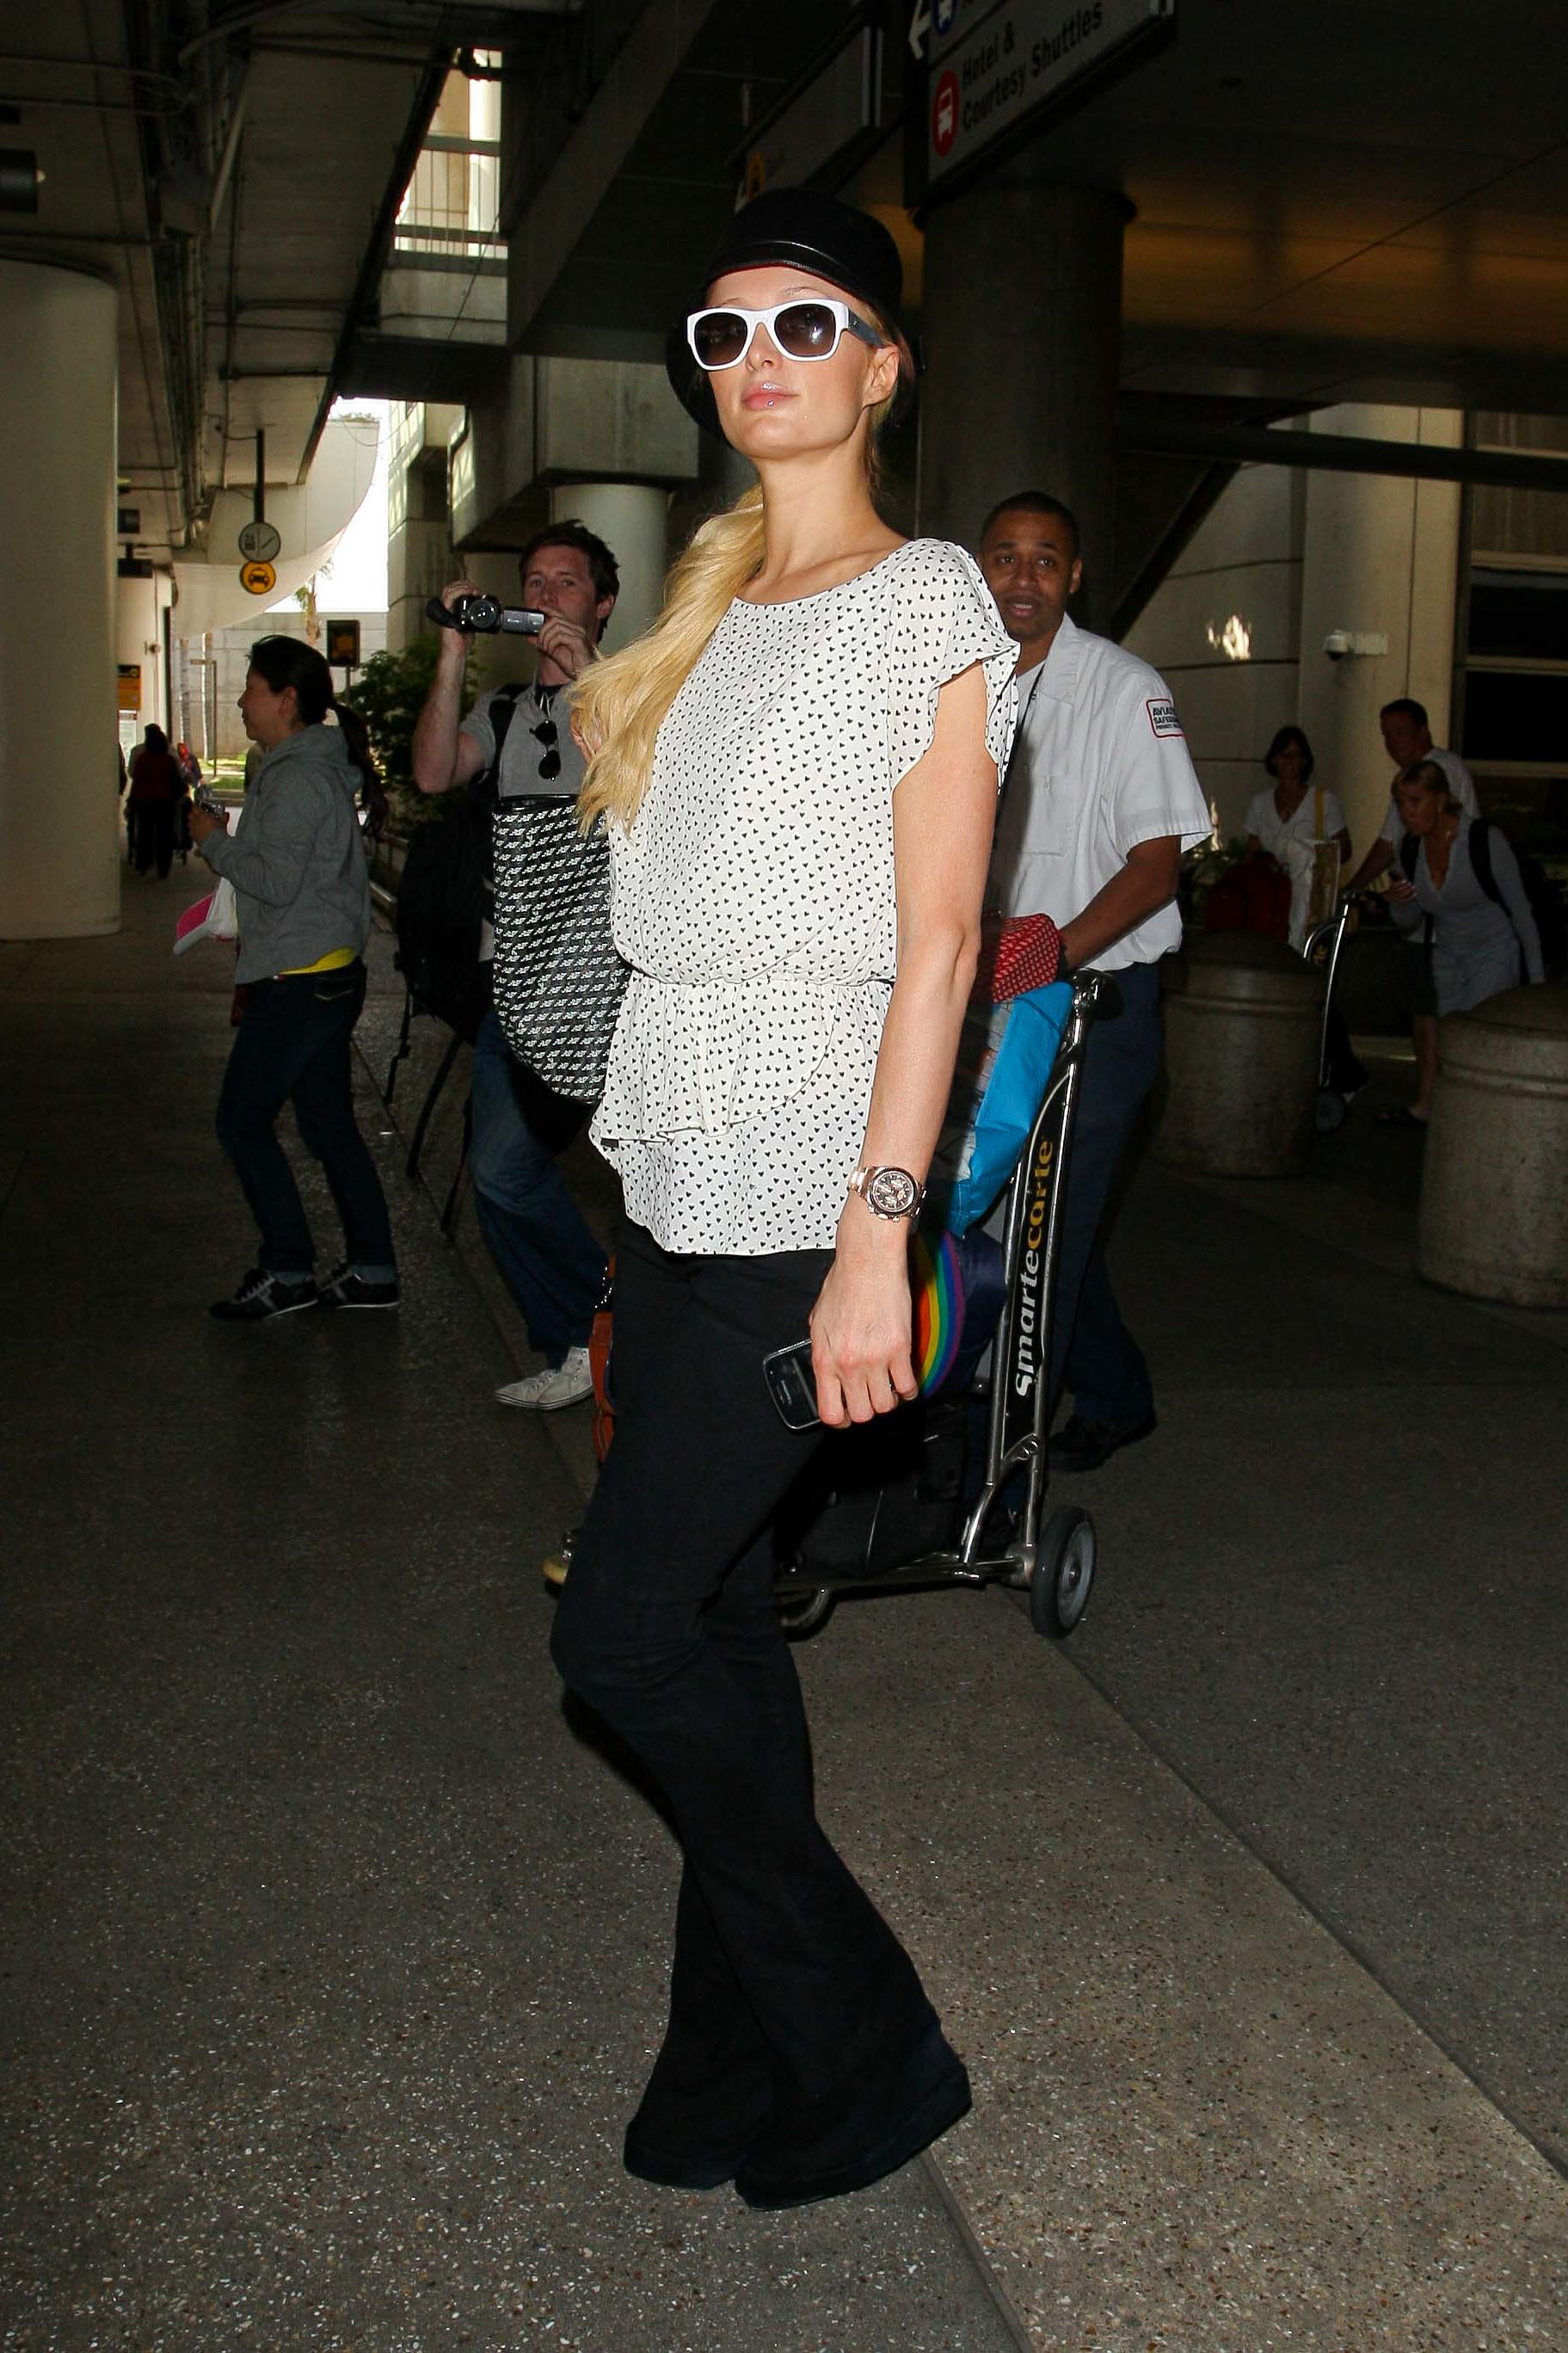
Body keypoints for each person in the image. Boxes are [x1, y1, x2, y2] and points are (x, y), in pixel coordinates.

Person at [550, 188, 1017, 2209]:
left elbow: (939, 946)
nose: (759, 361)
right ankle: (726, 2052)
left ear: (881, 365)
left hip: (804, 1191)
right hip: (673, 1176)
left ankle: (866, 2034)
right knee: (719, 1618)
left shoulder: (926, 600)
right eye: (724, 331)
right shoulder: (710, 608)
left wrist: (873, 1238)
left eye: (806, 325)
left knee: (621, 1637)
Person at [979, 490, 1210, 1474]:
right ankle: (1114, 1389)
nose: (1022, 577)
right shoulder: (960, 684)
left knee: (1039, 1233)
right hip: (987, 1007)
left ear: (1072, 576)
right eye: (1003, 556)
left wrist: (1053, 951)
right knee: (1024, 1216)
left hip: (1090, 1011)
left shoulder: (1122, 688)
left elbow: (1155, 868)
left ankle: (996, 1463)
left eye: (1045, 559)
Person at [410, 524, 616, 1409]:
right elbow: (431, 774)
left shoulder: (635, 693)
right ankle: (588, 1328)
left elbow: (652, 790)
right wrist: (452, 649)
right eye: (534, 581)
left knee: (663, 1187)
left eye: (567, 582)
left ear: (602, 602)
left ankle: (636, 1335)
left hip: (622, 995)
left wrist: (589, 676)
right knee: (499, 1172)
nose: (546, 596)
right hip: (522, 987)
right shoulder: (501, 712)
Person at [188, 635, 399, 1321]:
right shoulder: (301, 768)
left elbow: (275, 881)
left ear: (286, 700)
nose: (241, 702)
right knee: (328, 1127)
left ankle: (287, 1269)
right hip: (321, 972)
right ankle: (372, 1269)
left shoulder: (297, 776)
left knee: (242, 1121)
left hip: (301, 981)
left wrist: (212, 842)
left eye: (251, 689)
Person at [1381, 761, 1544, 1124]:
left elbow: (1521, 911)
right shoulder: (1411, 848)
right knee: (1449, 1045)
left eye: (1416, 801)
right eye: (1401, 803)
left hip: (1493, 952)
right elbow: (1411, 921)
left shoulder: (1484, 840)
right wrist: (1399, 904)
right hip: (1447, 955)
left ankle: (1483, 1123)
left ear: (1440, 800)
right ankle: (1457, 1122)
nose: (1407, 813)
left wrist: (1536, 984)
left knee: (1476, 1038)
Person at [1343, 700, 1480, 1125]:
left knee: (1439, 1011)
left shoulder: (1444, 771)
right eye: (1385, 734)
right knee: (1425, 1011)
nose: (1391, 742)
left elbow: (1450, 843)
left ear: (1422, 731)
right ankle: (1429, 1097)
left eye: (1399, 732)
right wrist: (1356, 888)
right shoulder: (1408, 780)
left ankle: (1438, 1100)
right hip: (1420, 913)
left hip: (1443, 918)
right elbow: (1390, 842)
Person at [1244, 724, 1351, 866]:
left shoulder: (1325, 801)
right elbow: (1252, 854)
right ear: (1274, 759)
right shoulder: (1260, 804)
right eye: (1283, 755)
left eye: (1294, 755)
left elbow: (1344, 850)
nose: (1288, 760)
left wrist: (1311, 861)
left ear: (1304, 760)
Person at [125, 723, 181, 878]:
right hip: (165, 802)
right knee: (164, 834)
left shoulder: (141, 757)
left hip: (145, 801)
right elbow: (177, 777)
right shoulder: (169, 758)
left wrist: (132, 801)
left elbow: (136, 778)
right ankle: (163, 867)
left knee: (144, 833)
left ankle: (143, 863)